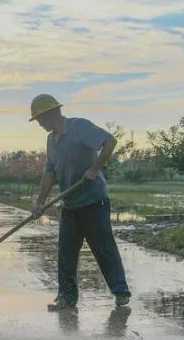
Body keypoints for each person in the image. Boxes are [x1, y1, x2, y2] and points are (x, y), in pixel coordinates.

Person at [27, 94, 131, 311]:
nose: (38, 123)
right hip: (70, 204)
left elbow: (110, 141)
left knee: (103, 249)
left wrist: (94, 169)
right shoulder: (51, 140)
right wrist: (39, 202)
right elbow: (50, 172)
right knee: (65, 254)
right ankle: (66, 299)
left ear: (52, 113)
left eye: (40, 118)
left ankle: (121, 292)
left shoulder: (79, 127)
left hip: (94, 201)